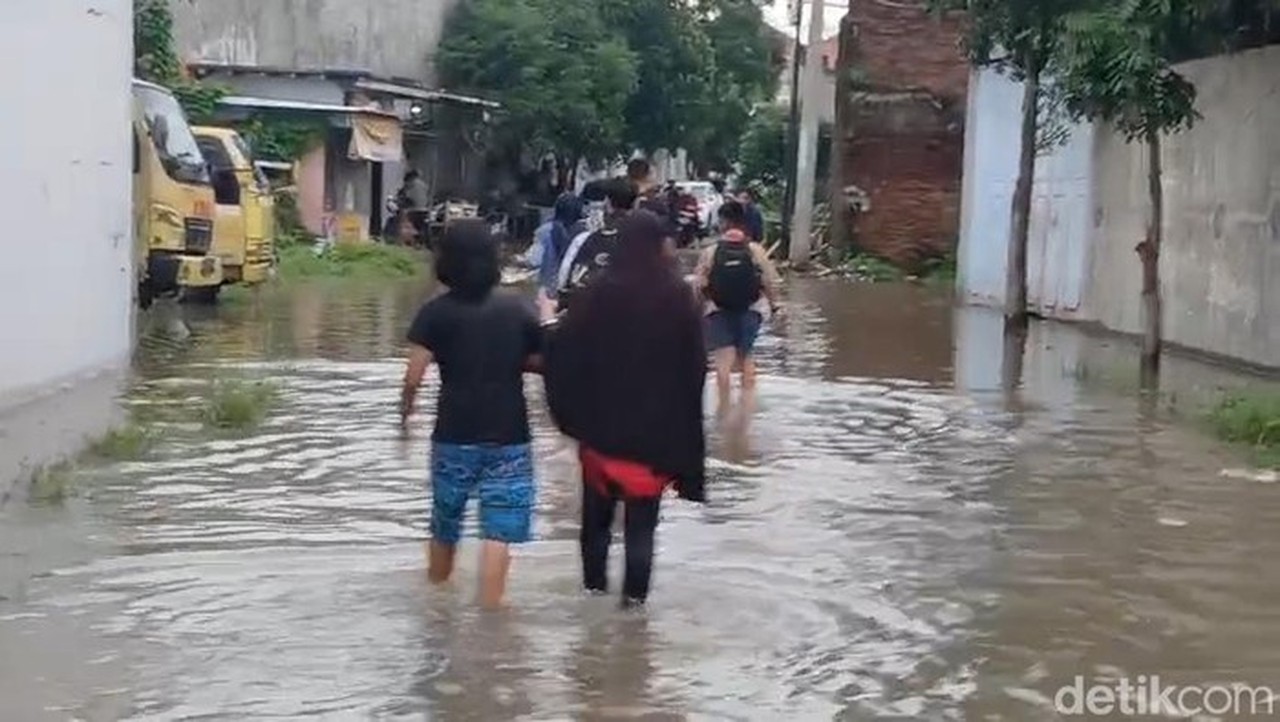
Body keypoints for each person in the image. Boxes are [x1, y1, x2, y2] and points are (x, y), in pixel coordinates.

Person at [544, 210, 707, 608]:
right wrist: (686, 440)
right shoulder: (678, 297)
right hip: (653, 441)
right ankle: (634, 613)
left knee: (595, 525)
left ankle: (592, 595)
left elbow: (563, 353)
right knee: (642, 529)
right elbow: (694, 371)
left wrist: (570, 417)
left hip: (600, 435)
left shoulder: (596, 293)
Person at [400, 219, 543, 609]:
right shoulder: (518, 309)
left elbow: (413, 376)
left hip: (453, 435)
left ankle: (437, 599)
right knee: (499, 529)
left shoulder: (434, 313)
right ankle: (492, 608)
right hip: (510, 436)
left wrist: (405, 416)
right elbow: (544, 362)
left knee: (446, 521)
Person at [695, 200, 782, 411]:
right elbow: (770, 280)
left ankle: (723, 409)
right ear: (743, 222)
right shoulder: (754, 250)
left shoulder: (711, 251)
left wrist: (698, 310)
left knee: (723, 363)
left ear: (722, 222)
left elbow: (700, 284)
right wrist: (776, 305)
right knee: (746, 358)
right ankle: (747, 409)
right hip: (750, 311)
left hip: (718, 311)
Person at [554, 178, 637, 313]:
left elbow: (564, 283)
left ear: (607, 204)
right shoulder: (648, 242)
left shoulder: (585, 240)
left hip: (589, 319)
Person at [524, 192, 585, 302]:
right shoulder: (584, 234)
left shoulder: (545, 231)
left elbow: (533, 260)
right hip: (571, 292)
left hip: (547, 292)